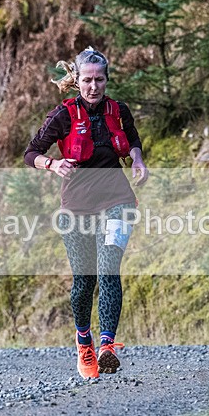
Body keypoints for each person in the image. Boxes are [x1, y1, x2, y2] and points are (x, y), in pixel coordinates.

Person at [24, 47, 149, 379]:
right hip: (76, 207)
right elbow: (31, 153)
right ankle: (85, 343)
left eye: (100, 80)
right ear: (76, 80)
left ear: (107, 79)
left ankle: (107, 345)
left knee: (109, 268)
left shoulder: (118, 110)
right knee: (84, 282)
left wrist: (137, 158)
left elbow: (132, 138)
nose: (94, 87)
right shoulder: (62, 115)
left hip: (118, 201)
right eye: (88, 80)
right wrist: (51, 163)